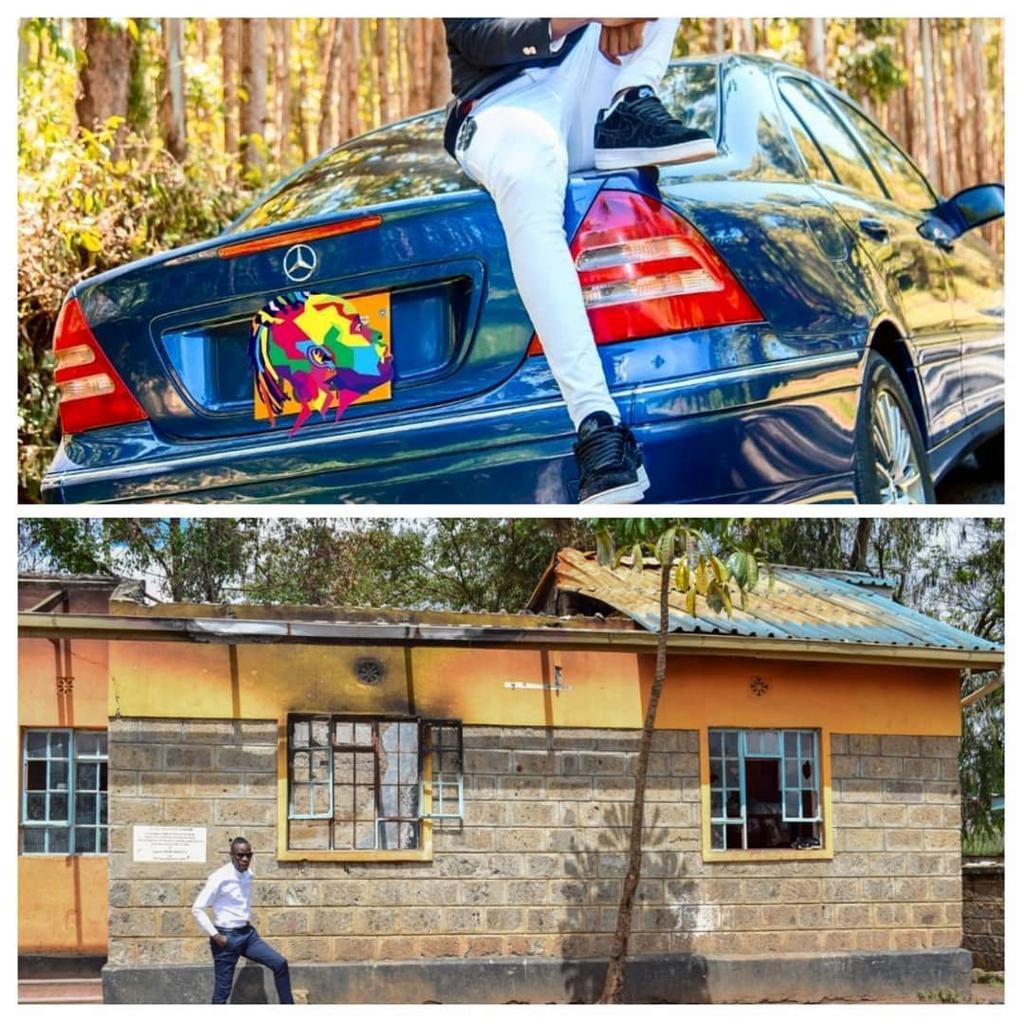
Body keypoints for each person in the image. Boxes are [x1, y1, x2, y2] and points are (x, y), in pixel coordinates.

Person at [443, 18, 715, 503]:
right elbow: (479, 37)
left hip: (596, 75)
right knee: (526, 180)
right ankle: (596, 425)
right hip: (503, 102)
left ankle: (631, 100)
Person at [191, 836, 294, 1004]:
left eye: (248, 855)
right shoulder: (219, 878)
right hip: (226, 938)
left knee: (280, 963)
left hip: (247, 935)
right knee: (222, 991)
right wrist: (216, 936)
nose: (245, 859)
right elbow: (197, 908)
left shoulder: (247, 874)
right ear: (231, 855)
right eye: (240, 855)